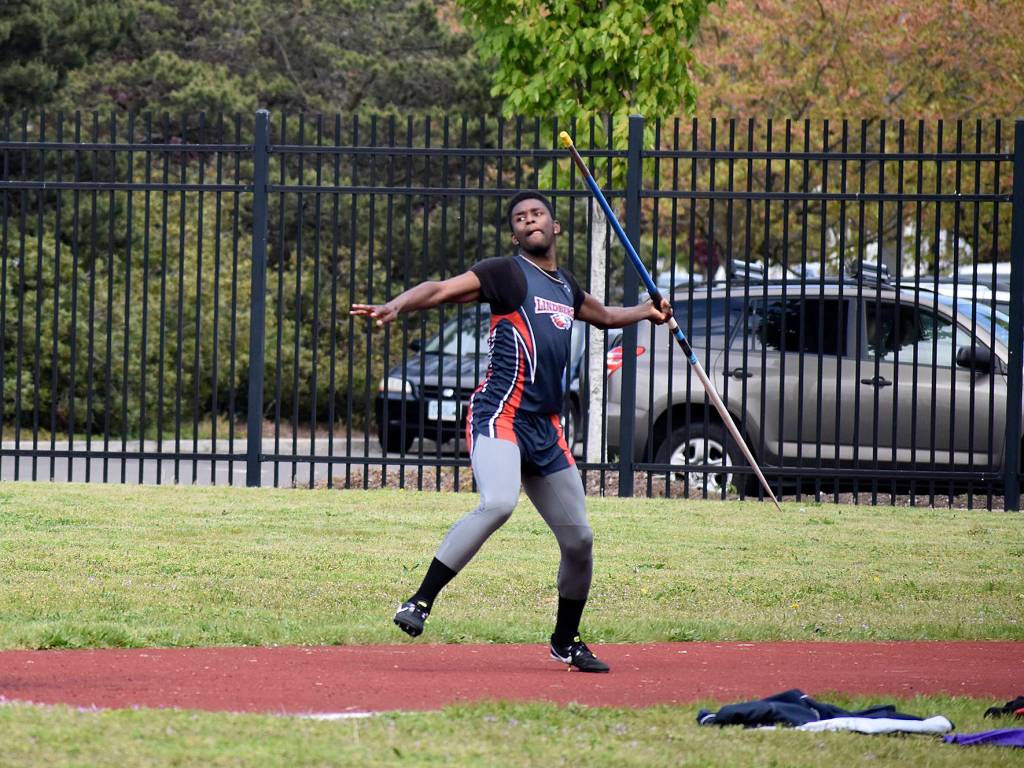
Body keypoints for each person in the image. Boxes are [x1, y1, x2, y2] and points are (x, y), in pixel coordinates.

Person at [350, 191, 671, 672]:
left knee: (580, 540)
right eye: (520, 218)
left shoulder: (565, 286)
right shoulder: (505, 273)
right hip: (501, 414)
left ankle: (565, 640)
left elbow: (604, 317)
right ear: (515, 234)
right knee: (499, 502)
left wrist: (646, 310)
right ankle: (419, 600)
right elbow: (439, 289)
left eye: (537, 214)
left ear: (555, 226)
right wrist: (397, 305)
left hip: (546, 428)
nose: (529, 221)